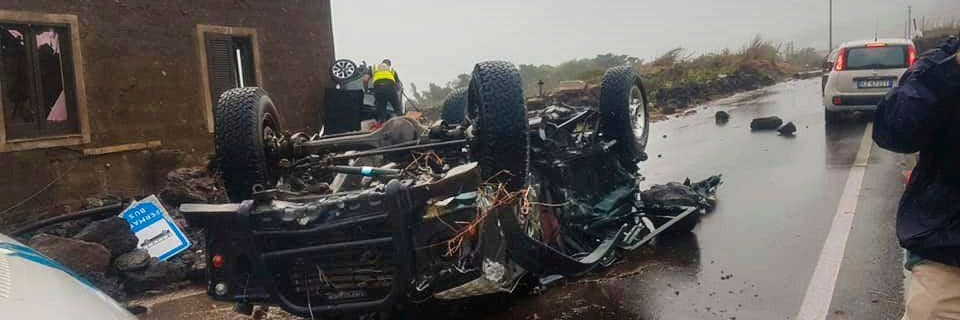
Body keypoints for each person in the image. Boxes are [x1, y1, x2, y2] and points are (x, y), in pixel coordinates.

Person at [873, 37, 960, 319]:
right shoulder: (941, 66)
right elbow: (894, 132)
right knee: (930, 311)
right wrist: (950, 72)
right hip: (949, 254)